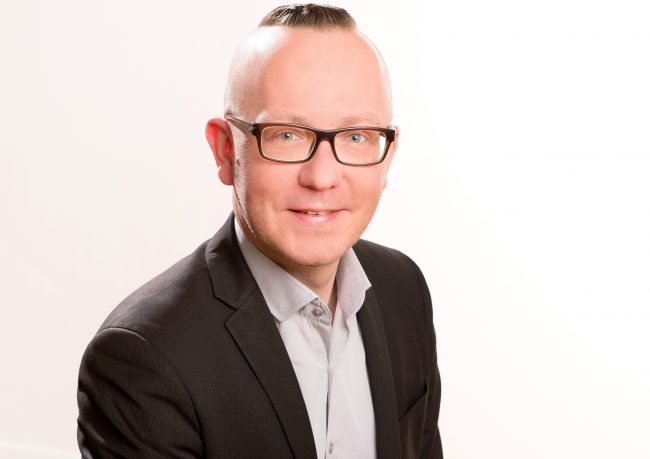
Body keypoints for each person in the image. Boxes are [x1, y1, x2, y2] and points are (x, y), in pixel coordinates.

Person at [77, 4, 442, 458]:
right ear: (225, 151)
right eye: (286, 135)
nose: (322, 177)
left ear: (387, 156)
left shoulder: (404, 290)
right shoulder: (144, 357)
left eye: (356, 137)